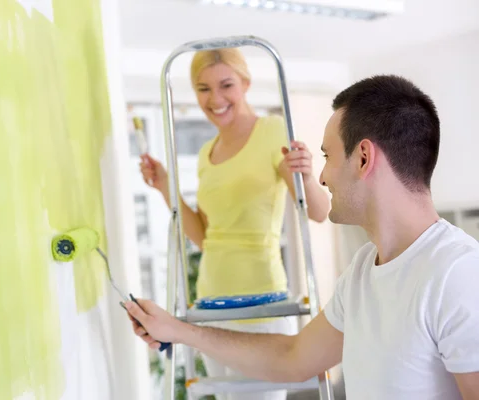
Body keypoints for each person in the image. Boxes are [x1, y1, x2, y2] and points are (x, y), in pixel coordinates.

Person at [128, 75, 479, 399]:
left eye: (327, 156)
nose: (322, 177)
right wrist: (179, 331)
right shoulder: (361, 273)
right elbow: (292, 358)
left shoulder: (458, 273)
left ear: (363, 158)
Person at [138, 48, 330, 400]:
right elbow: (206, 238)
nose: (215, 99)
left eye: (226, 85)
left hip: (261, 306)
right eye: (203, 89)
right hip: (211, 305)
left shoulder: (273, 132)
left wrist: (307, 175)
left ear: (245, 84)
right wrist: (166, 186)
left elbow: (317, 212)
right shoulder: (206, 152)